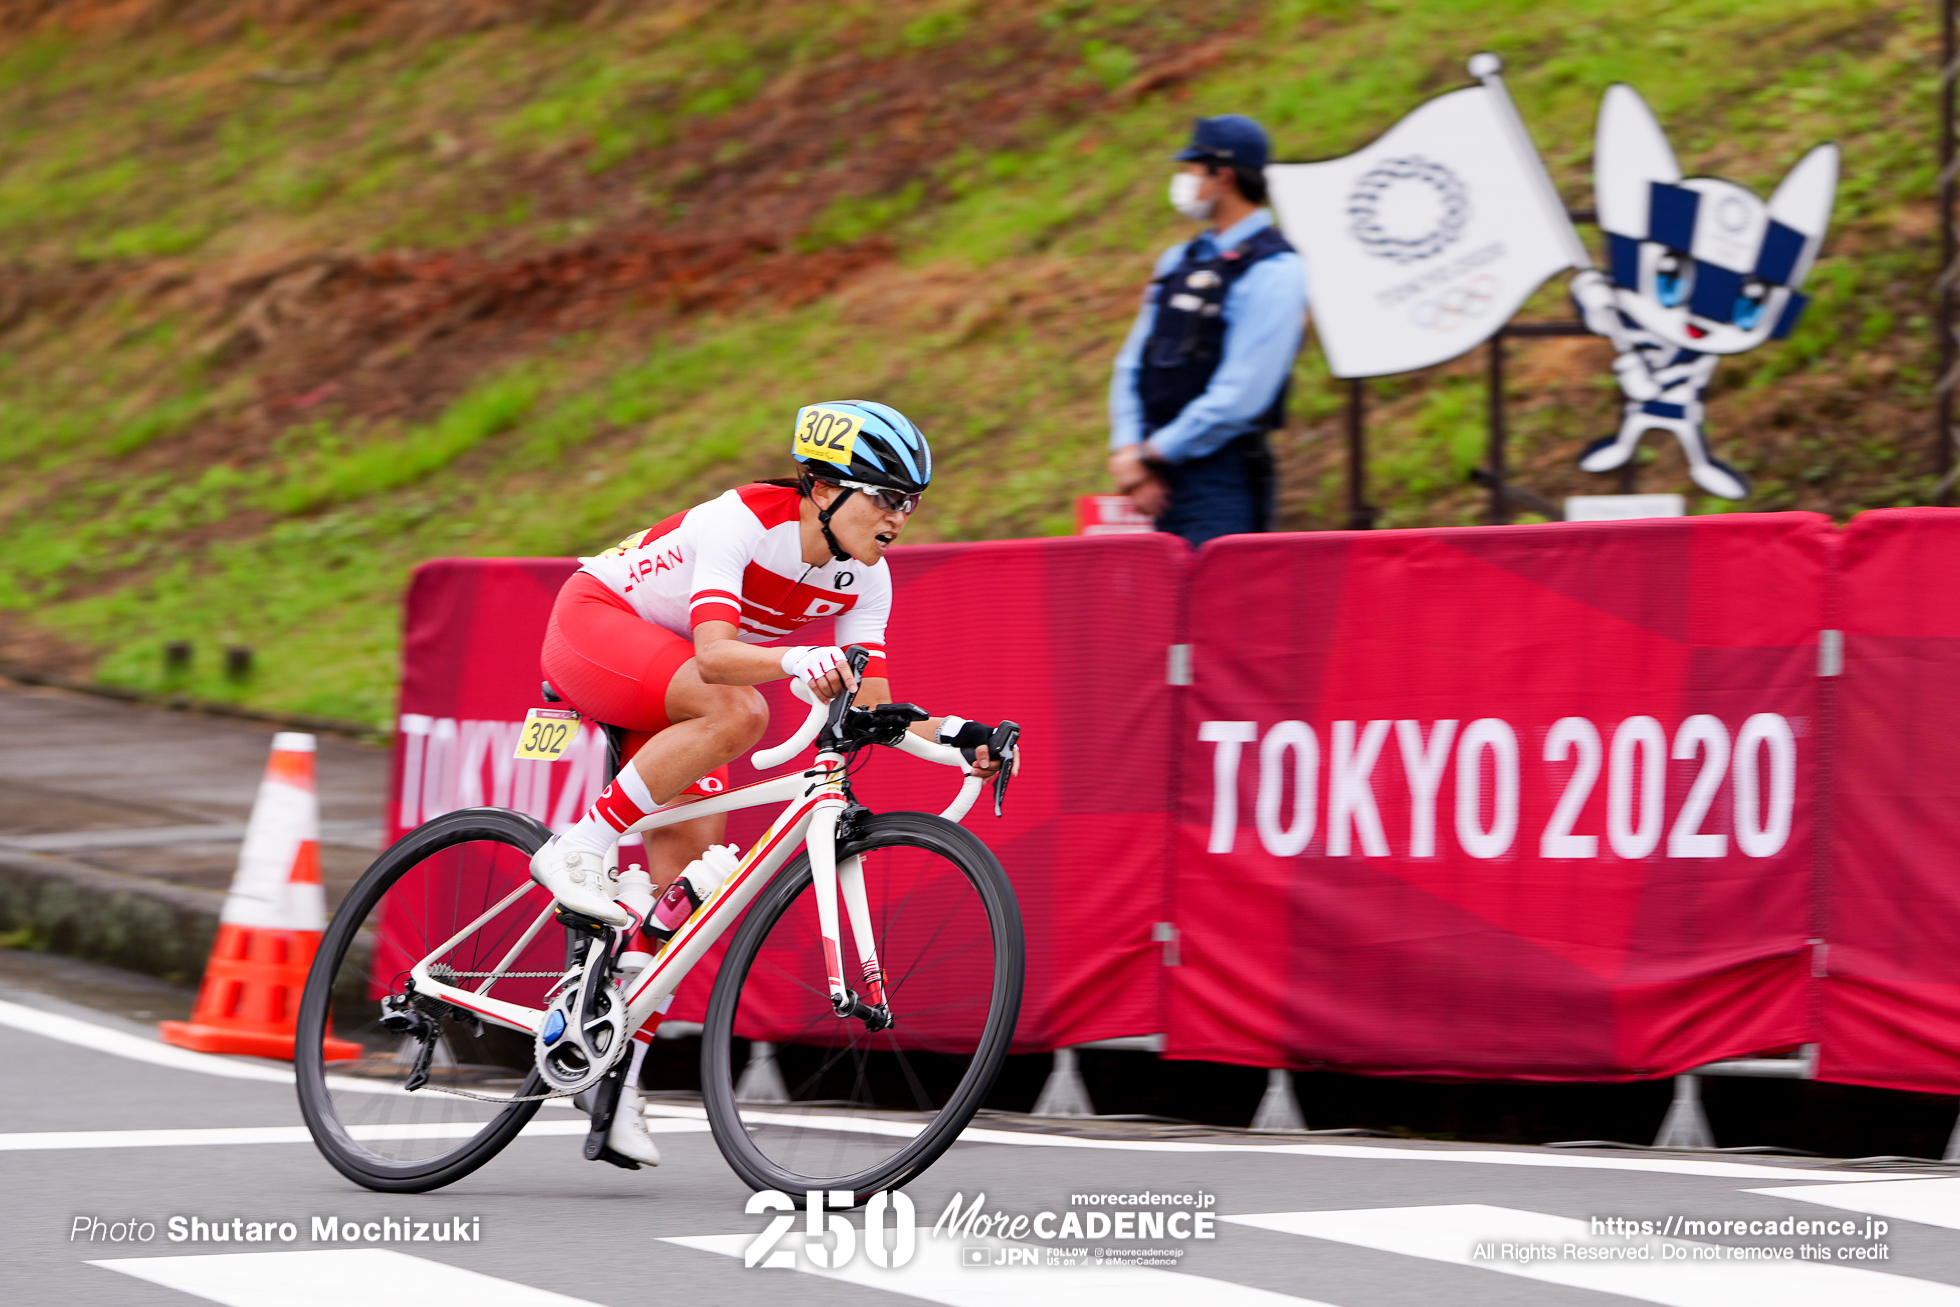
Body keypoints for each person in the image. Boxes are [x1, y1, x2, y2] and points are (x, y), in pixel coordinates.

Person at [528, 399, 1007, 1166]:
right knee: (739, 708)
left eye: (909, 502)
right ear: (824, 488)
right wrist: (793, 663)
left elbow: (875, 712)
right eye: (885, 496)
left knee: (687, 898)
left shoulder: (868, 580)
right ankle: (579, 845)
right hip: (599, 624)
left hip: (679, 682)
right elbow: (718, 656)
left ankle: (614, 1076)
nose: (898, 519)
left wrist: (961, 742)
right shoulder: (742, 520)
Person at [1108, 114, 1308, 547]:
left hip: (1222, 481)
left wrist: (1149, 453)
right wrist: (1130, 452)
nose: (1184, 179)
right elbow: (1131, 363)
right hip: (1157, 479)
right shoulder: (1178, 259)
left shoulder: (1275, 270)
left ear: (1224, 178)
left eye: (1192, 168)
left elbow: (1241, 397)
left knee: (1216, 612)